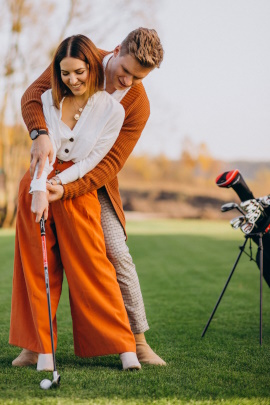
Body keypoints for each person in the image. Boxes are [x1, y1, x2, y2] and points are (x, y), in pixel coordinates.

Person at [12, 27, 166, 367]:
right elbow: (32, 96)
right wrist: (38, 134)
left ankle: (137, 341)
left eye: (138, 78)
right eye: (125, 72)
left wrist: (68, 189)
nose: (127, 81)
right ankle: (35, 345)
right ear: (115, 51)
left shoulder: (137, 104)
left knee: (117, 252)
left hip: (96, 181)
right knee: (38, 257)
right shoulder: (82, 59)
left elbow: (110, 162)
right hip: (50, 168)